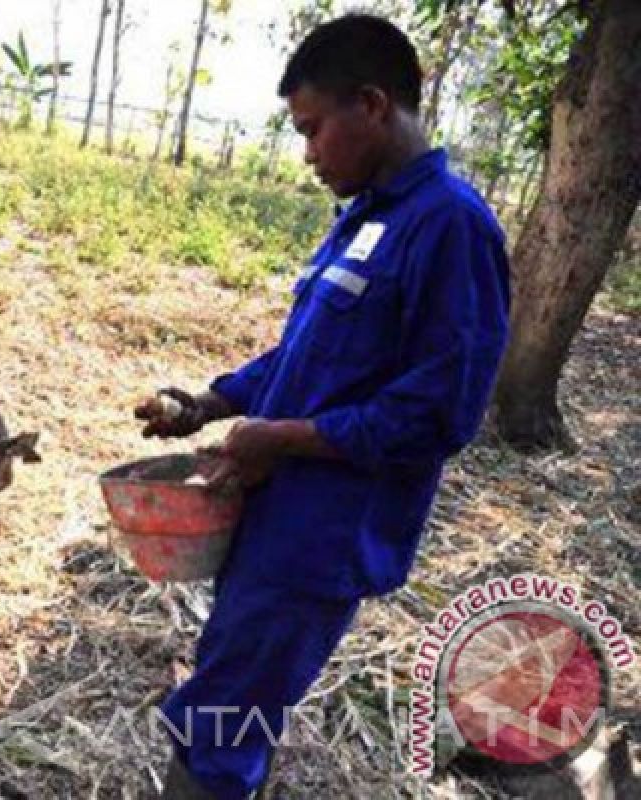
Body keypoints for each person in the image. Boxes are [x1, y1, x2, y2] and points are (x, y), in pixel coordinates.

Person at [135, 14, 511, 799]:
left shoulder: (450, 226)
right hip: (278, 515)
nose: (305, 155)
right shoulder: (369, 218)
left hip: (324, 536)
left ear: (372, 105)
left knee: (224, 714)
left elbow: (442, 411)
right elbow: (304, 356)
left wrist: (288, 439)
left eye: (312, 131)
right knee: (234, 694)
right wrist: (205, 403)